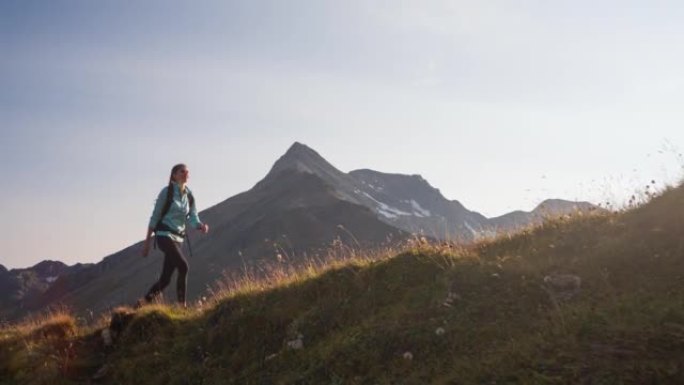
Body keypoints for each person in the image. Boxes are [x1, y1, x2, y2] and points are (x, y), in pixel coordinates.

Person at [141, 163, 209, 307]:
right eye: (182, 171)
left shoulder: (189, 195)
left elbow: (192, 216)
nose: (186, 174)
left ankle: (140, 304)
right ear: (174, 175)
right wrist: (147, 243)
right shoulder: (166, 192)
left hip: (178, 239)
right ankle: (181, 306)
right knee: (183, 266)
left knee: (165, 280)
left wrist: (200, 226)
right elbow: (154, 217)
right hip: (164, 235)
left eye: (187, 172)